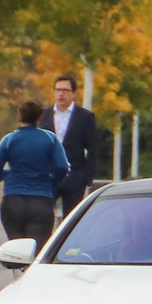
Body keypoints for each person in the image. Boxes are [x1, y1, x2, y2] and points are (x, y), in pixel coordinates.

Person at [0, 99, 70, 255]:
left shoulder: (9, 140)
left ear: (20, 114)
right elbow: (63, 167)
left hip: (13, 199)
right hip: (41, 200)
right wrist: (51, 181)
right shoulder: (50, 139)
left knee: (15, 250)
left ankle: (18, 275)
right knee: (37, 250)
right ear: (39, 117)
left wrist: (9, 175)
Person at [41, 75, 101, 216]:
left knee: (72, 218)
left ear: (74, 93)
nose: (61, 94)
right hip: (48, 176)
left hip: (75, 176)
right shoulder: (43, 115)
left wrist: (87, 176)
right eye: (58, 90)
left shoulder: (85, 117)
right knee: (43, 215)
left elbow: (93, 148)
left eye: (65, 90)